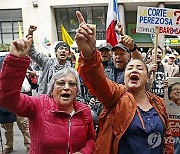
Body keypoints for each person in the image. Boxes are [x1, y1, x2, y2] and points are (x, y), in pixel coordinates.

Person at [75, 11, 174, 154]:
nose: (134, 70)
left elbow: (167, 140)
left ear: (147, 77)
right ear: (125, 76)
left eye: (139, 68)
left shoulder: (158, 103)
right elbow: (98, 81)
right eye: (130, 68)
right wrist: (90, 55)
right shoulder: (117, 96)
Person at [0, 36, 96, 154]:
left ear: (77, 90)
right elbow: (7, 99)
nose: (66, 87)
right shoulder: (38, 104)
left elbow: (91, 139)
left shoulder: (84, 111)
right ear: (51, 89)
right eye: (61, 83)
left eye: (72, 84)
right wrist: (15, 61)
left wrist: (83, 152)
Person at [27, 25, 73, 95]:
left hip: (62, 100)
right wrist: (30, 33)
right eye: (61, 49)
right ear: (55, 52)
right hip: (45, 99)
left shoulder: (71, 70)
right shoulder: (47, 62)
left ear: (69, 54)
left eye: (66, 50)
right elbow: (32, 52)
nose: (63, 51)